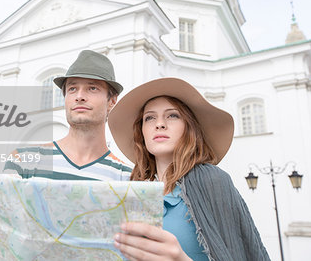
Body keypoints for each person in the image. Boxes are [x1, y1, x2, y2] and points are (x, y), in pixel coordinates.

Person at [0, 50, 133, 251]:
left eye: (92, 88)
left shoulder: (127, 177)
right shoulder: (24, 160)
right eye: (72, 89)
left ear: (111, 101)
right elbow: (0, 231)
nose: (79, 96)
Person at [108, 77, 270, 261]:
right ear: (142, 132)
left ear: (189, 128)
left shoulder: (212, 179)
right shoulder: (136, 192)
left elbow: (239, 252)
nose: (159, 124)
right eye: (150, 117)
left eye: (172, 115)